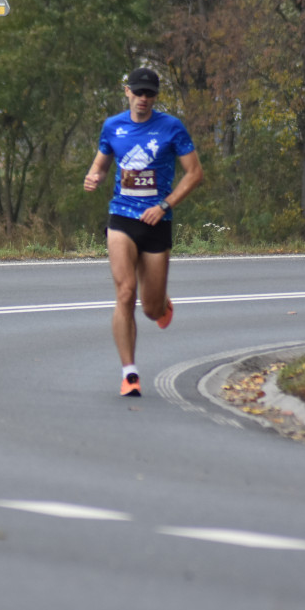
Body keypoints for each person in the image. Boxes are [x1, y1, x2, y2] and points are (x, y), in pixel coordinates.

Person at [83, 67, 204, 397]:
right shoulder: (113, 126)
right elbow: (101, 165)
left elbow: (194, 174)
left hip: (156, 222)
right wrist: (93, 177)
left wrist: (164, 205)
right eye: (138, 92)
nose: (143, 99)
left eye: (149, 94)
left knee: (150, 309)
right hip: (121, 217)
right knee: (125, 292)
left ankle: (162, 304)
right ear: (127, 92)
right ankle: (129, 373)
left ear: (155, 96)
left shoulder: (171, 128)